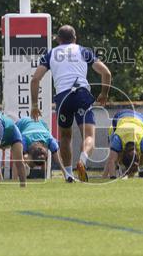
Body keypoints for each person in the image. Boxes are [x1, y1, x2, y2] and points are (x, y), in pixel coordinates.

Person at [29, 25, 111, 182]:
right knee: (88, 135)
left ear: (59, 40)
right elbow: (106, 72)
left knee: (65, 137)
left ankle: (68, 174)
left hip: (62, 97)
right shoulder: (83, 51)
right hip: (81, 94)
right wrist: (104, 93)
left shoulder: (51, 54)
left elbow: (35, 79)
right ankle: (82, 161)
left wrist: (34, 105)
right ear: (75, 38)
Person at [102, 110, 143, 179]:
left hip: (140, 120)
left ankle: (140, 170)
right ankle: (107, 176)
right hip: (121, 117)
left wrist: (112, 177)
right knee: (113, 156)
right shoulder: (117, 137)